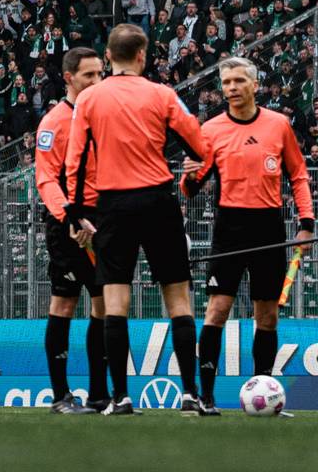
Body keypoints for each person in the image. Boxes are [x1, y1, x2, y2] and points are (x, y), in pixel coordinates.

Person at [63, 22, 209, 415]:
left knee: (115, 300)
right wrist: (189, 169)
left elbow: (74, 161)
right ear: (142, 55)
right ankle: (191, 395)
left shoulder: (90, 100)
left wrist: (77, 213)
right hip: (159, 201)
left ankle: (121, 397)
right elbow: (198, 142)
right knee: (178, 299)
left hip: (113, 205)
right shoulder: (163, 95)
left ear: (108, 57)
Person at [181, 56, 315, 416]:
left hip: (268, 228)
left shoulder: (279, 125)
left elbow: (298, 176)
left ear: (255, 85)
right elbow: (192, 189)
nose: (232, 89)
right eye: (226, 83)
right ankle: (205, 398)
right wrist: (189, 175)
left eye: (239, 81)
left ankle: (266, 392)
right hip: (229, 228)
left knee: (267, 315)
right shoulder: (210, 130)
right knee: (217, 310)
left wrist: (307, 222)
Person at [34, 45, 112, 413]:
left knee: (104, 305)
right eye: (89, 75)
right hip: (66, 224)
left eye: (101, 73)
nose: (98, 80)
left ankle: (99, 395)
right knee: (65, 302)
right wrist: (69, 217)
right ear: (69, 78)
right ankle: (61, 396)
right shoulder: (54, 122)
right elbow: (46, 178)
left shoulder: (106, 115)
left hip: (102, 223)